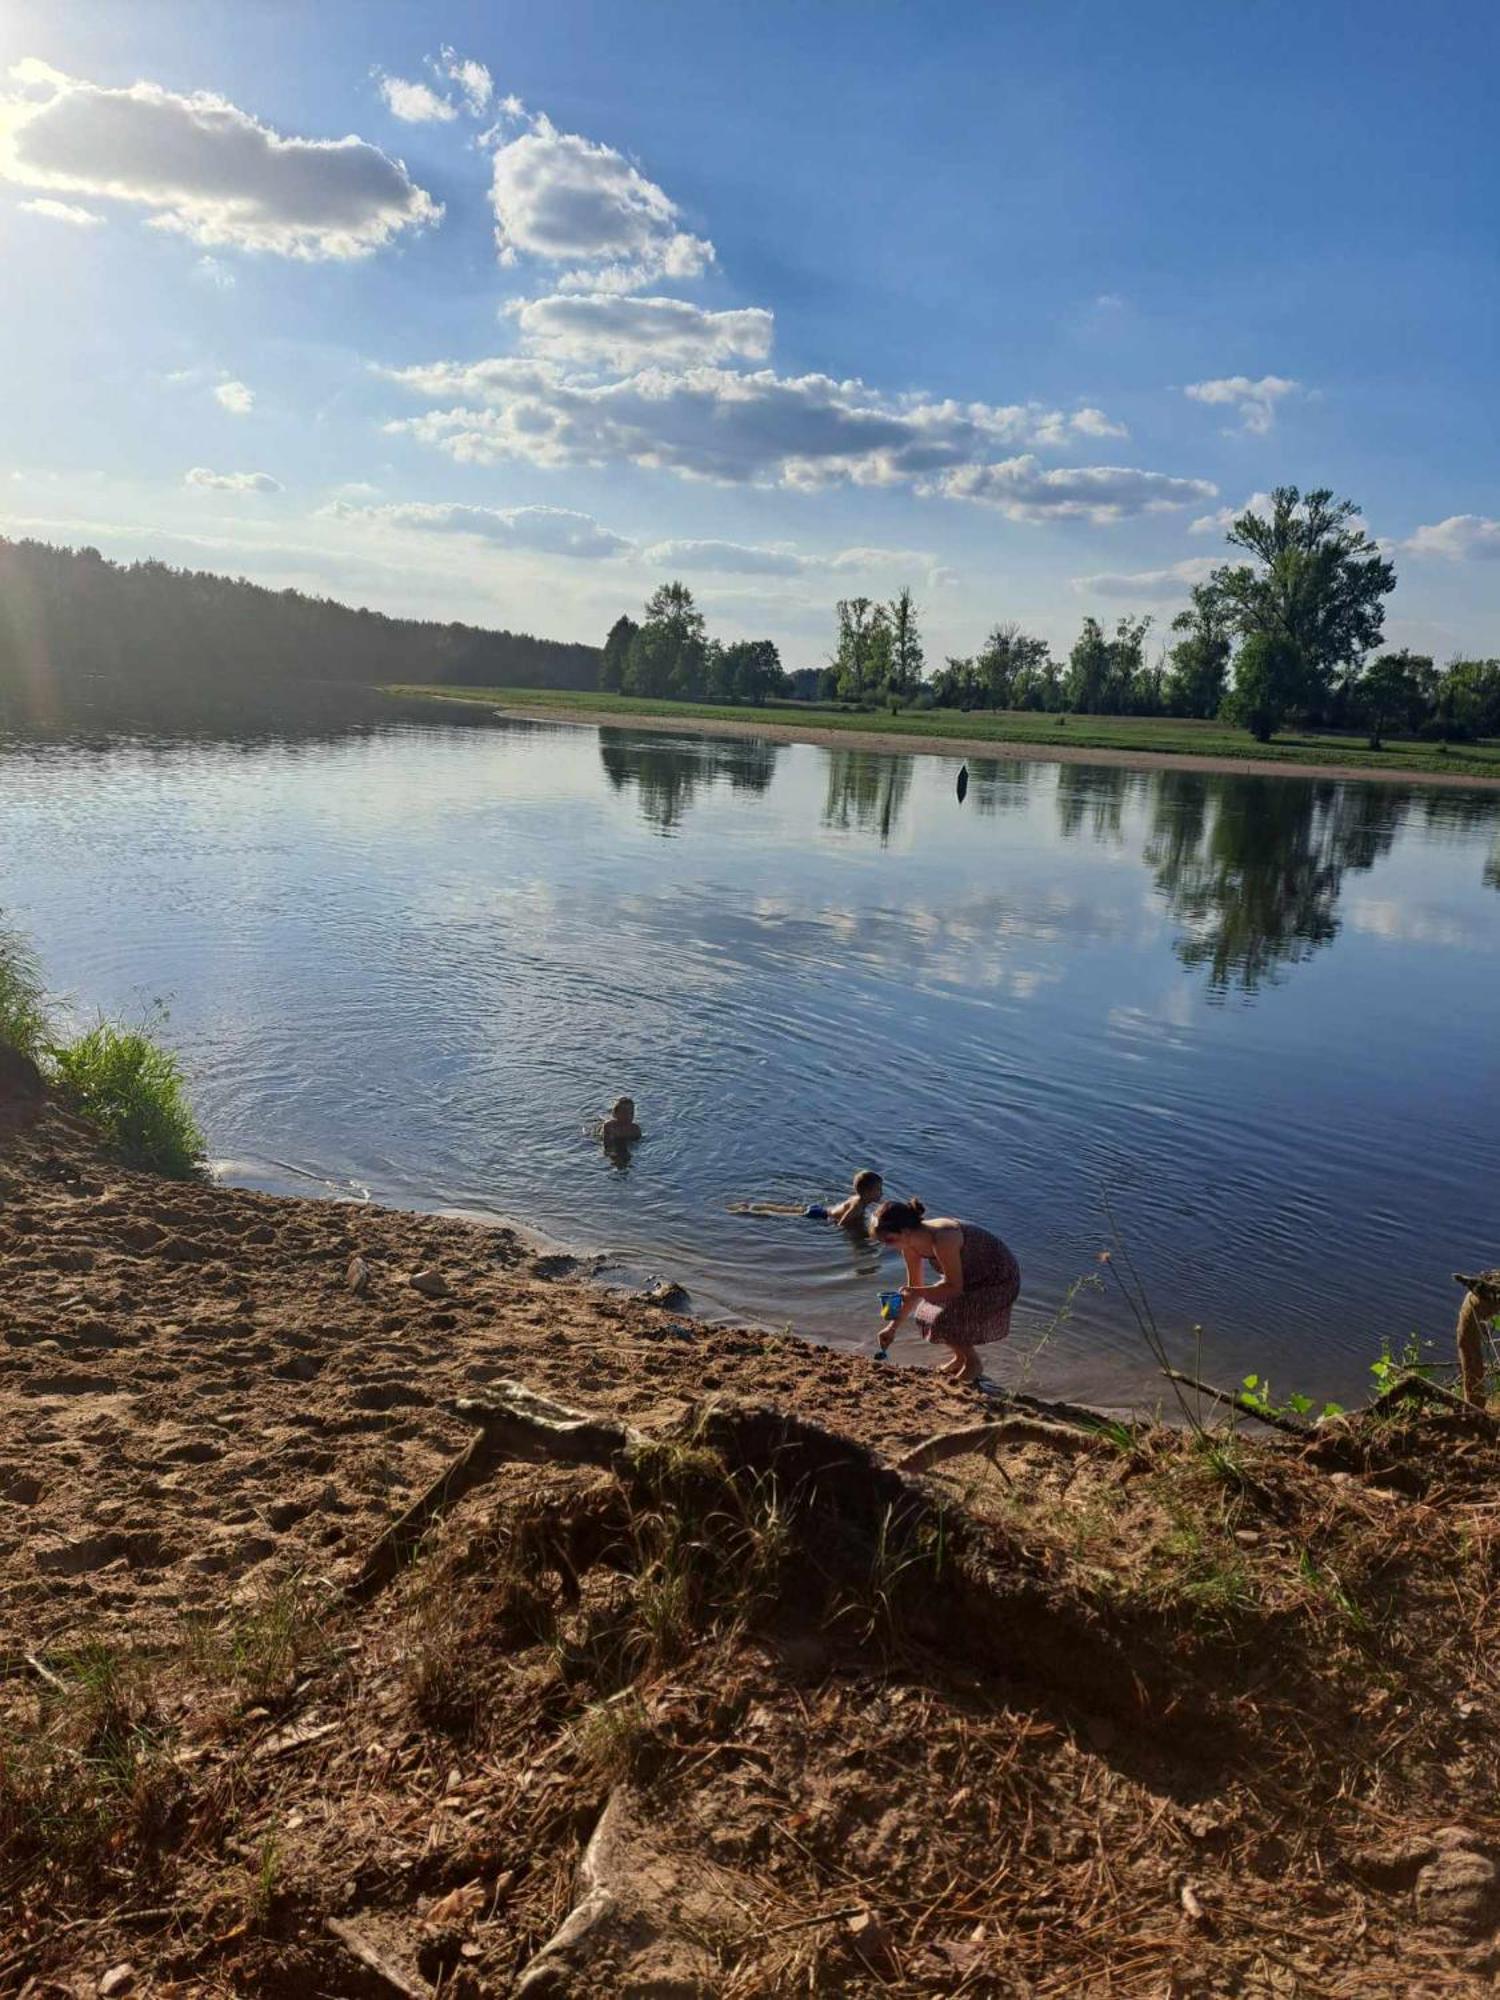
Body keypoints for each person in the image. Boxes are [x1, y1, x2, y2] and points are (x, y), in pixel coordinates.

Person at [873, 1197, 1020, 1384]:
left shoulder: (944, 1237)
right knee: (925, 1312)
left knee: (943, 1318)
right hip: (969, 1278)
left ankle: (973, 1363)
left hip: (998, 1280)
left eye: (889, 1239)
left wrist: (917, 1292)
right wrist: (891, 1328)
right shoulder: (909, 1245)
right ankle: (960, 1359)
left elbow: (954, 1288)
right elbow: (914, 1289)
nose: (887, 1245)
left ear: (905, 1231)